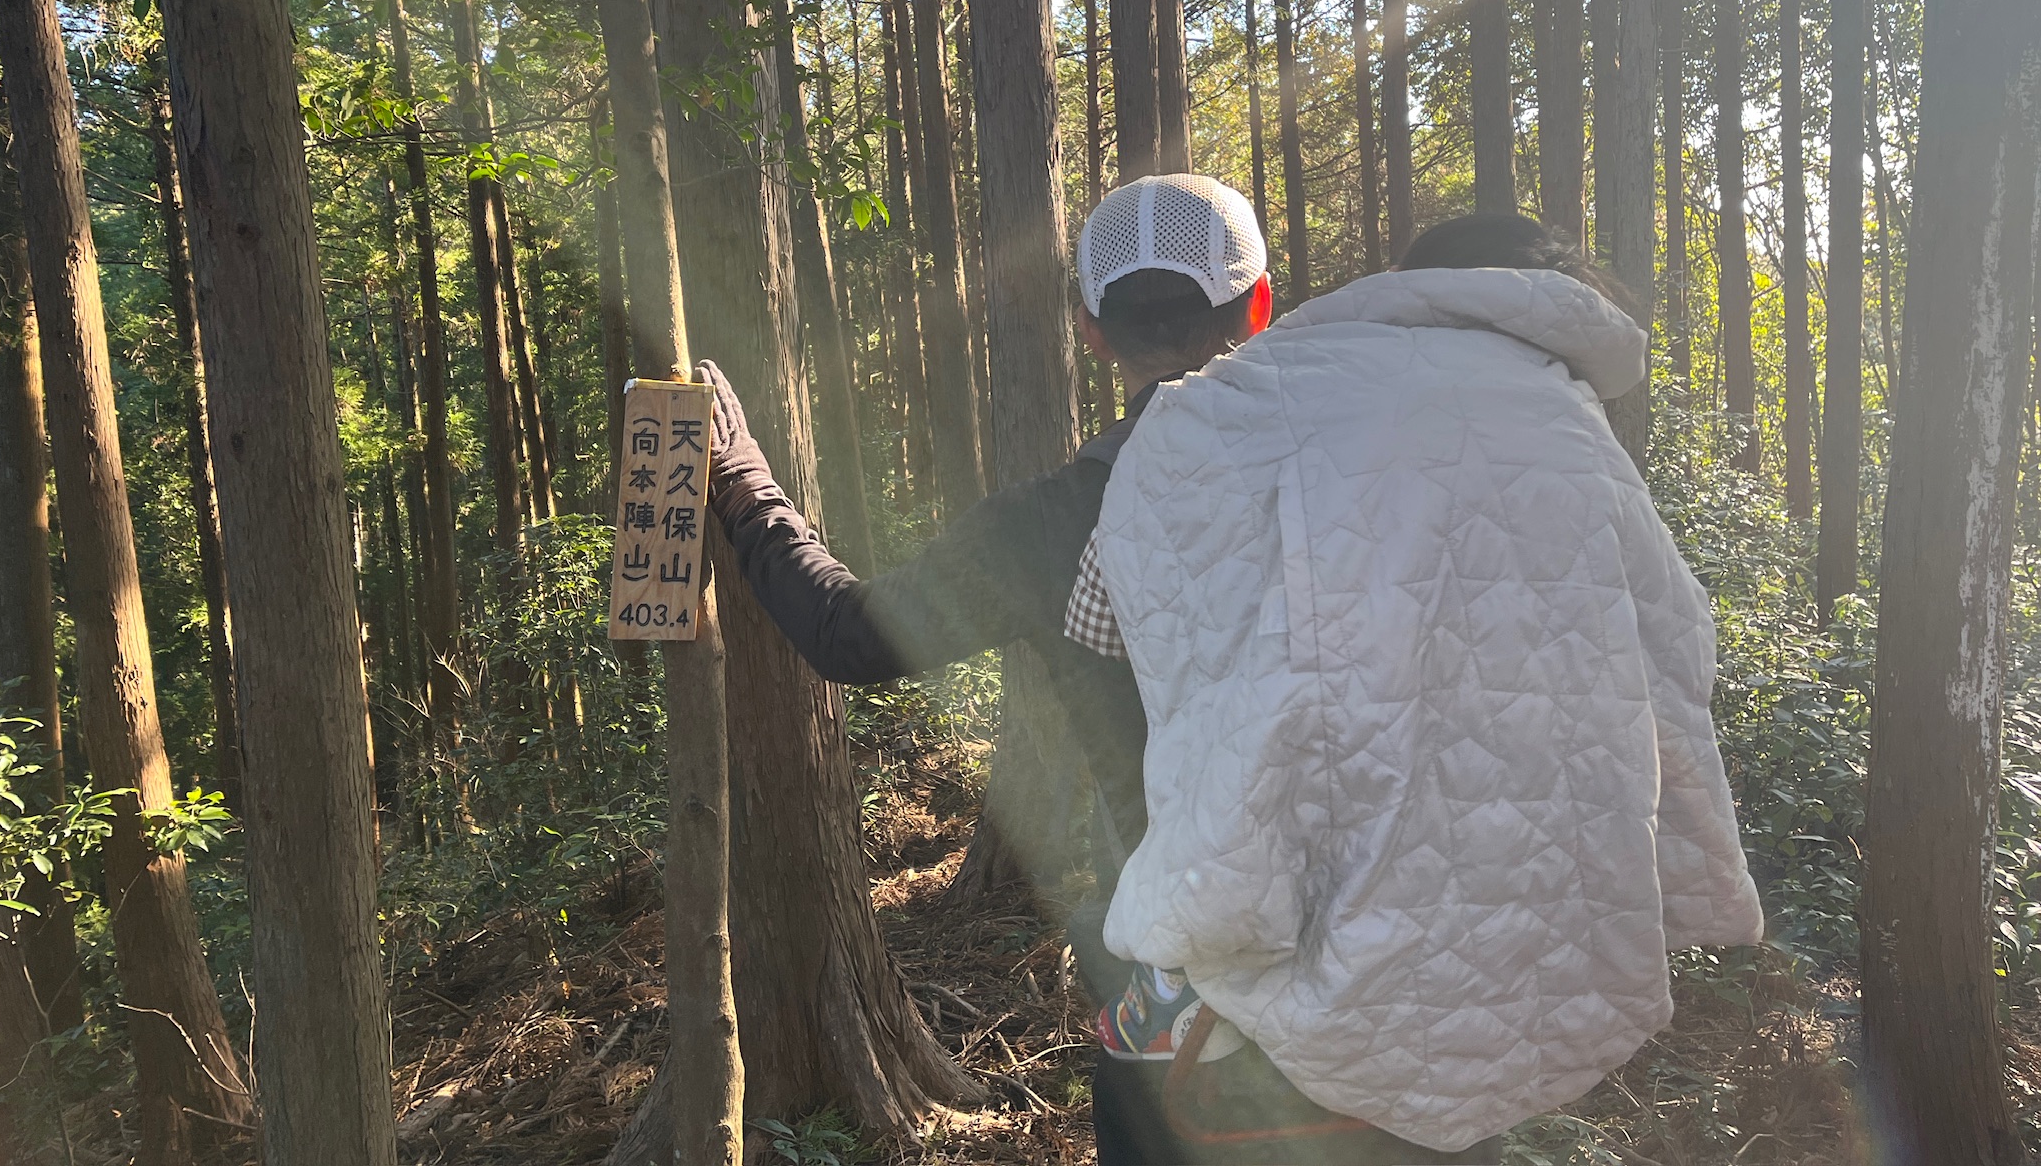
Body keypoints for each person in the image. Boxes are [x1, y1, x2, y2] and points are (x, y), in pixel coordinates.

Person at [1064, 213, 1765, 1162]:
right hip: (1516, 966)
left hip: (1283, 954)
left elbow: (1111, 634)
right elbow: (1676, 659)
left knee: (1156, 1084)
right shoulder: (1569, 420)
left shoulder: (1232, 404)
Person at [696, 174, 1272, 1140]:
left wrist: (746, 486)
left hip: (1191, 991)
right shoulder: (1356, 472)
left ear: (1092, 330)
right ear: (1259, 305)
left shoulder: (1056, 523)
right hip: (1390, 964)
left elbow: (850, 635)